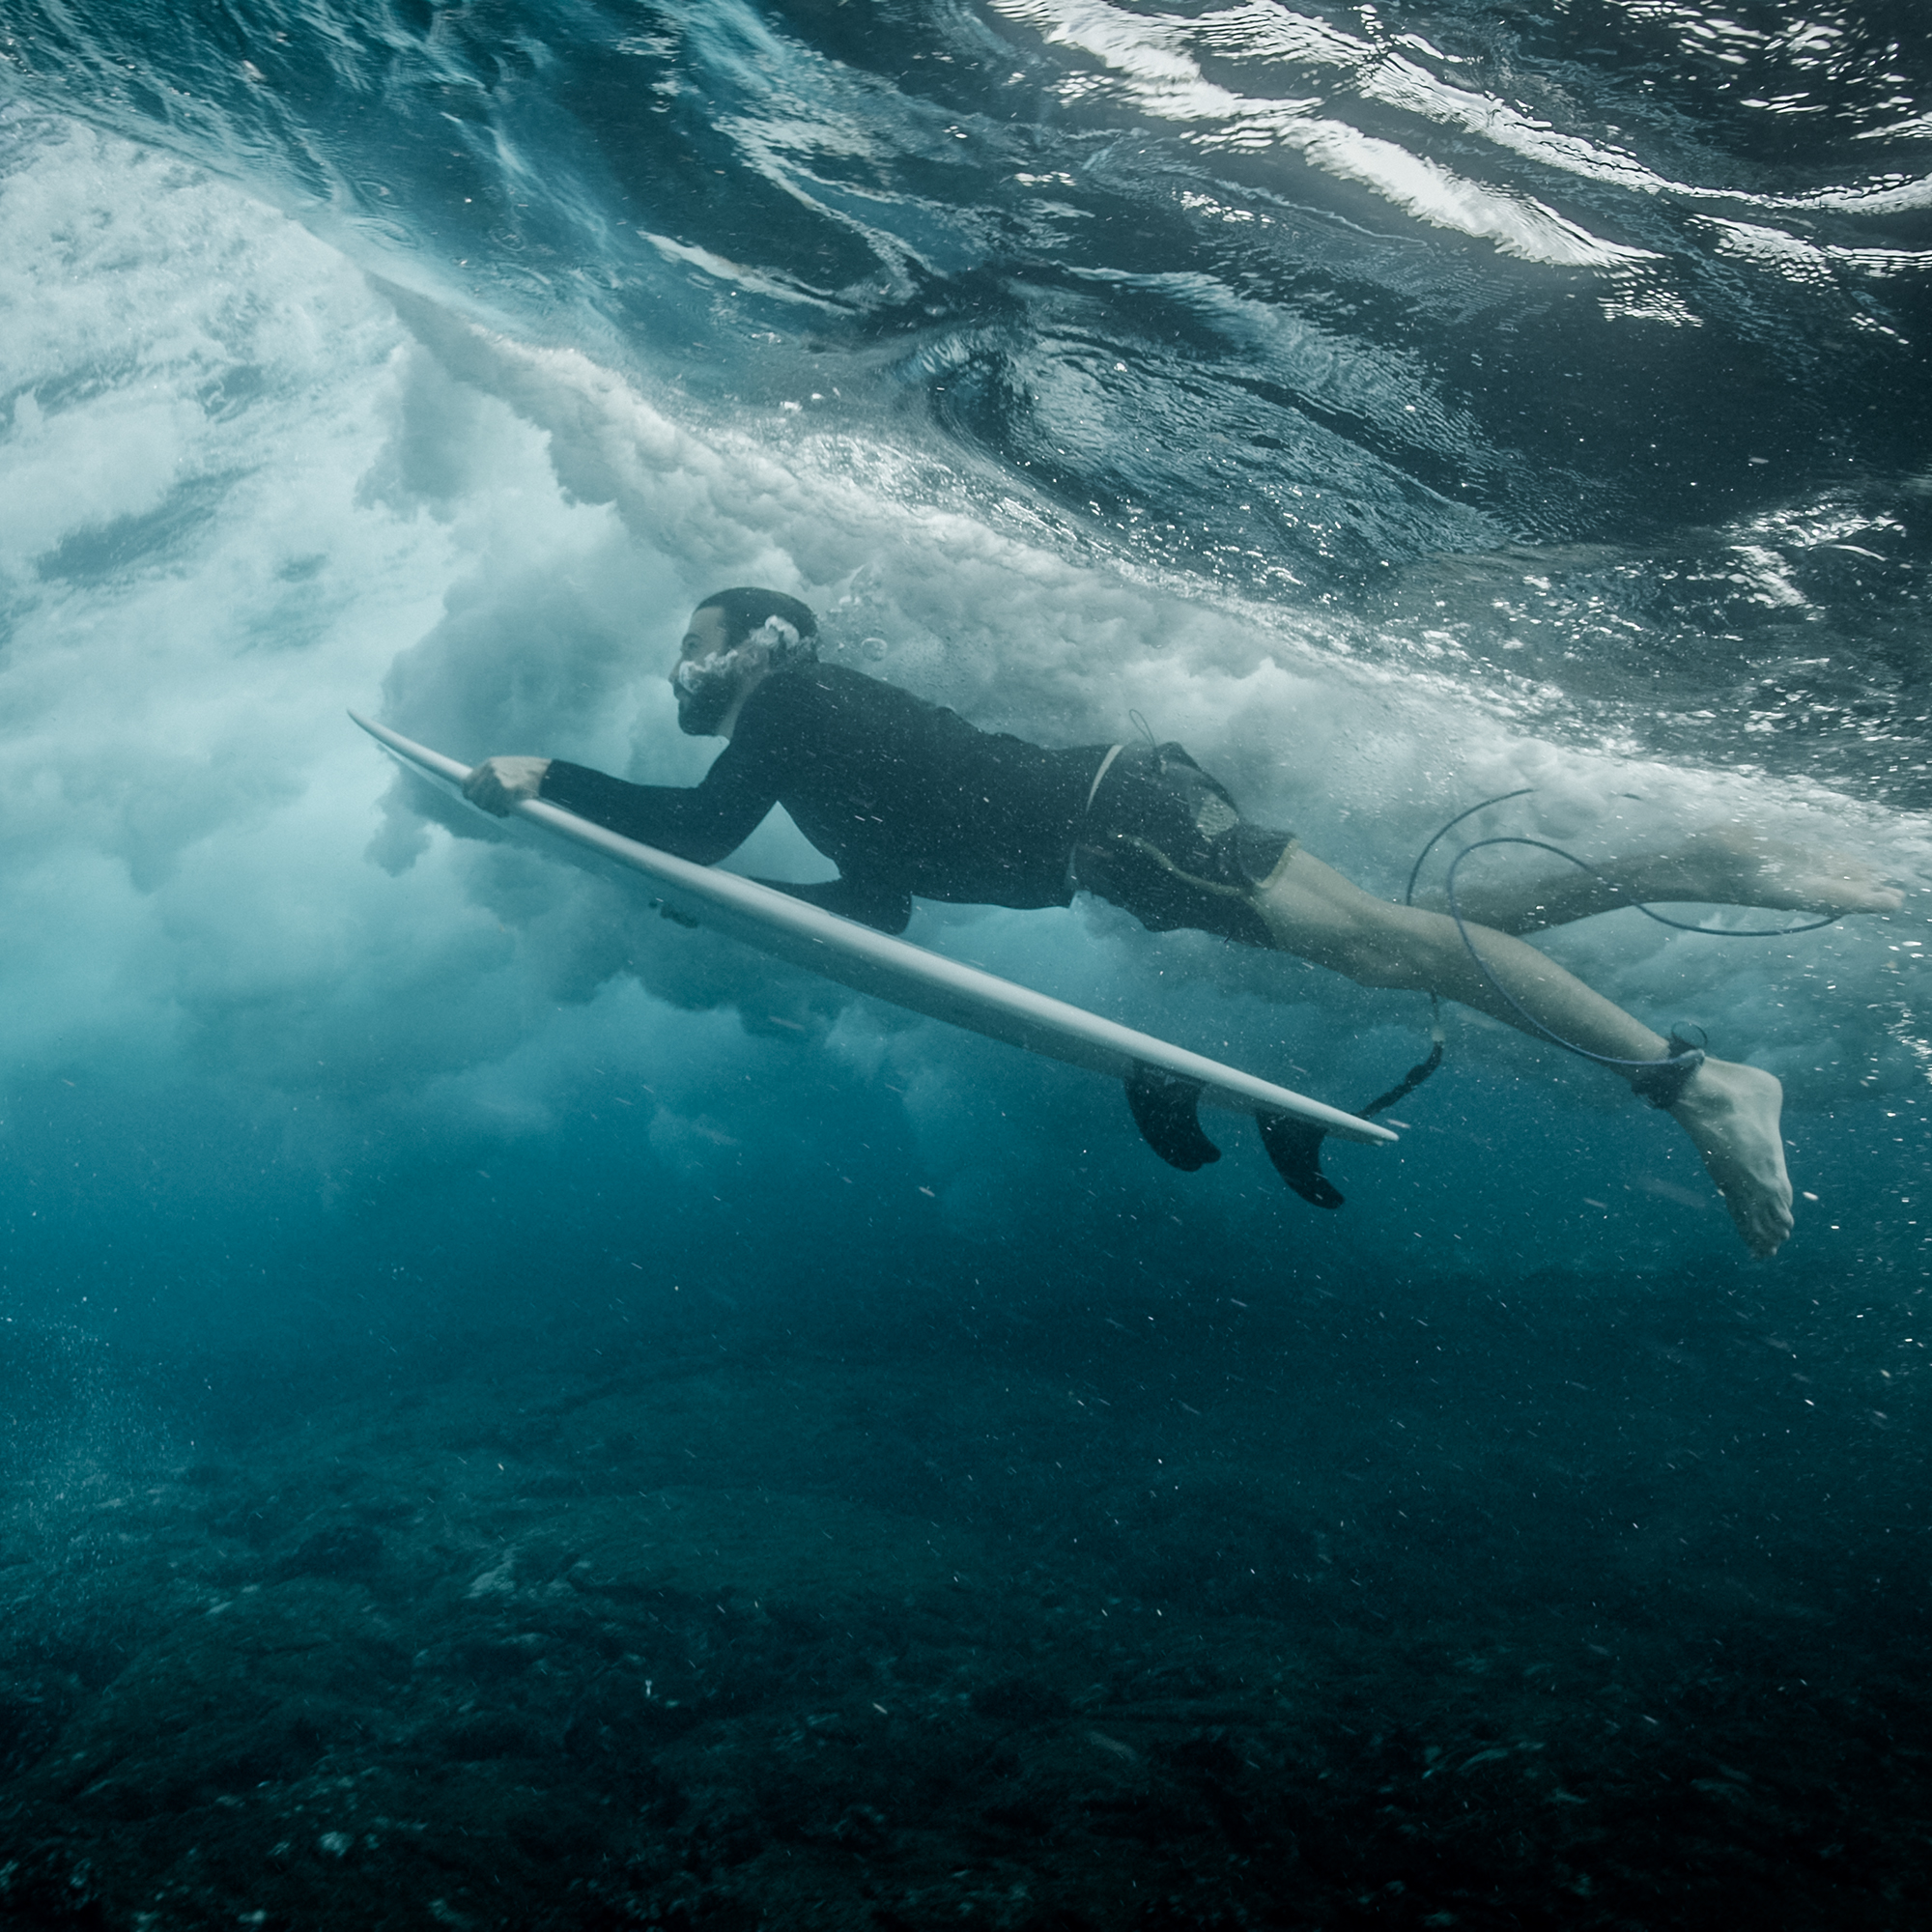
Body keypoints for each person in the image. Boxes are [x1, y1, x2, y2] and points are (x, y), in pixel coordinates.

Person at [464, 587, 1903, 1258]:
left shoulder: (792, 707)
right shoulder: (823, 756)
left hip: (1125, 818)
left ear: (763, 647)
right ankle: (1690, 859)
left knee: (1396, 950)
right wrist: (764, 918)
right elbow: (880, 903)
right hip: (1130, 829)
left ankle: (1692, 1079)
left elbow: (703, 821)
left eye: (695, 642)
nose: (678, 665)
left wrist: (553, 783)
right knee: (1408, 933)